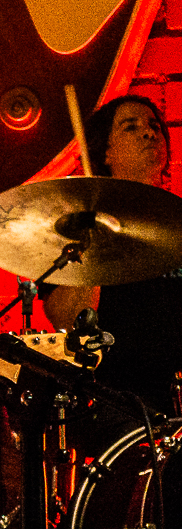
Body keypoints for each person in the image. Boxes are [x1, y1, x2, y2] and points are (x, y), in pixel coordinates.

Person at [42, 95, 180, 444]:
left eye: (154, 126)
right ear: (106, 153)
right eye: (130, 127)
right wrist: (93, 243)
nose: (149, 134)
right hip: (118, 402)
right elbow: (68, 319)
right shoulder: (81, 229)